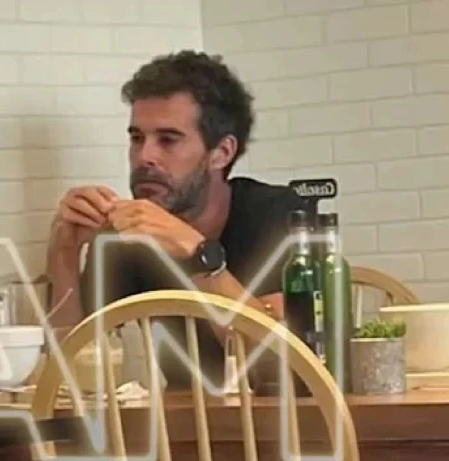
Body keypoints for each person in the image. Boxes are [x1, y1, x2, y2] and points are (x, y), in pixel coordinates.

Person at [45, 50, 306, 392]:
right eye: (137, 138)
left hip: (285, 421)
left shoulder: (277, 216)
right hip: (180, 420)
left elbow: (278, 367)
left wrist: (197, 253)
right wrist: (63, 252)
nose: (145, 157)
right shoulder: (126, 238)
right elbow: (69, 371)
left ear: (222, 153)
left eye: (168, 140)